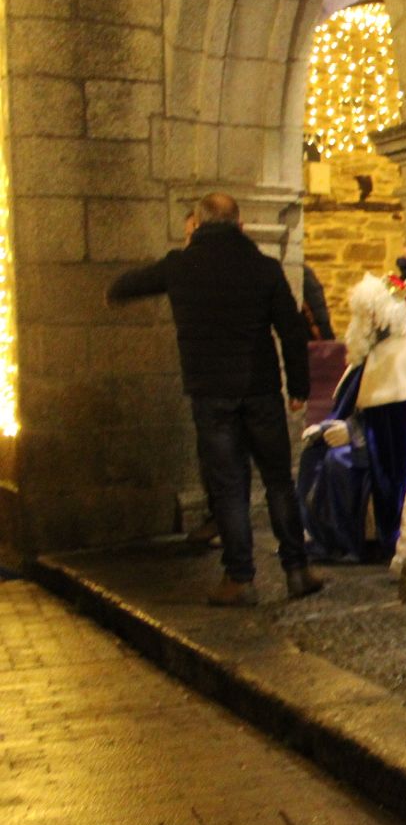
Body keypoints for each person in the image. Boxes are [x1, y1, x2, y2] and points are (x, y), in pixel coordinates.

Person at [107, 193, 324, 606]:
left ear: (198, 226)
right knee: (279, 482)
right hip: (260, 391)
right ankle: (297, 571)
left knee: (229, 487)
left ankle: (240, 579)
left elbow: (129, 284)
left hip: (211, 395)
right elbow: (291, 331)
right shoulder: (264, 269)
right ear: (240, 226)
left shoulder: (181, 266)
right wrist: (298, 388)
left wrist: (113, 291)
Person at [297, 270, 406, 562]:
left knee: (338, 462)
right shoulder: (370, 353)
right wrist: (328, 427)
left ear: (379, 319)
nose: (356, 324)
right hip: (366, 438)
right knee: (315, 451)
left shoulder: (402, 355)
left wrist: (352, 433)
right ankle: (317, 533)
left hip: (384, 456)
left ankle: (346, 541)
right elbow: (354, 406)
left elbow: (397, 429)